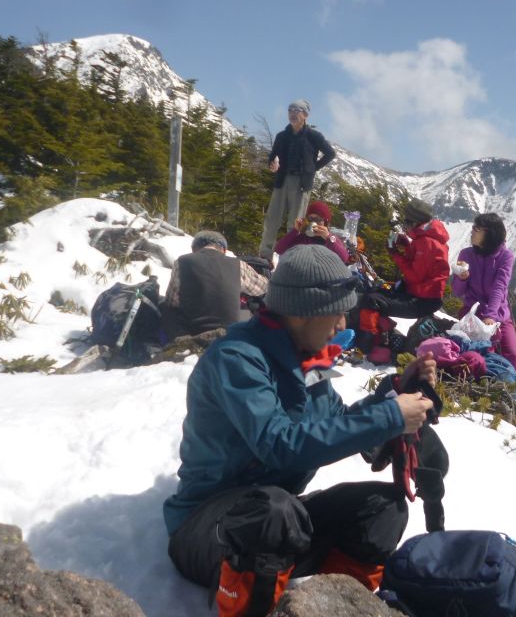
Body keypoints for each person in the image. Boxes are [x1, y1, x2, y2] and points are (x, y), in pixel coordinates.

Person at [163, 245, 437, 617]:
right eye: (337, 313)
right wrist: (389, 417)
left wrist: (394, 394)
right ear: (303, 311)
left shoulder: (305, 359)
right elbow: (278, 446)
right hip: (209, 531)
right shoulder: (237, 359)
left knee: (384, 509)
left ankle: (331, 606)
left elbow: (338, 420)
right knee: (274, 512)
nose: (343, 325)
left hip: (275, 525)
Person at [259, 99, 336, 261]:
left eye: (297, 110)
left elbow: (330, 154)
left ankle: (291, 259)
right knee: (272, 220)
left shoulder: (314, 136)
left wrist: (313, 168)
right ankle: (264, 258)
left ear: (305, 115)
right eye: (290, 110)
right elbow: (273, 156)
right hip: (282, 181)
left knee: (295, 225)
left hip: (302, 184)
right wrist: (272, 165)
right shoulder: (282, 136)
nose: (292, 113)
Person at [450, 212, 516, 371]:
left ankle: (506, 383)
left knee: (514, 355)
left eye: (476, 228)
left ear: (489, 233)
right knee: (481, 353)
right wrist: (461, 278)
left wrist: (491, 315)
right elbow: (457, 292)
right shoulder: (466, 254)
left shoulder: (505, 256)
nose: (472, 231)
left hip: (498, 315)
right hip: (472, 313)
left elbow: (500, 286)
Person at [161, 231, 268, 342]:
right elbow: (262, 288)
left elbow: (171, 302)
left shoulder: (182, 262)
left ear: (194, 249)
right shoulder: (238, 264)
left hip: (192, 334)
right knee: (246, 311)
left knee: (165, 306)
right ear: (224, 250)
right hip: (228, 335)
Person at [273, 200, 350, 264]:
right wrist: (295, 230)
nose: (313, 222)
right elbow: (279, 249)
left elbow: (344, 258)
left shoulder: (331, 239)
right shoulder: (302, 238)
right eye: (310, 218)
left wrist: (328, 237)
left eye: (318, 219)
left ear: (325, 222)